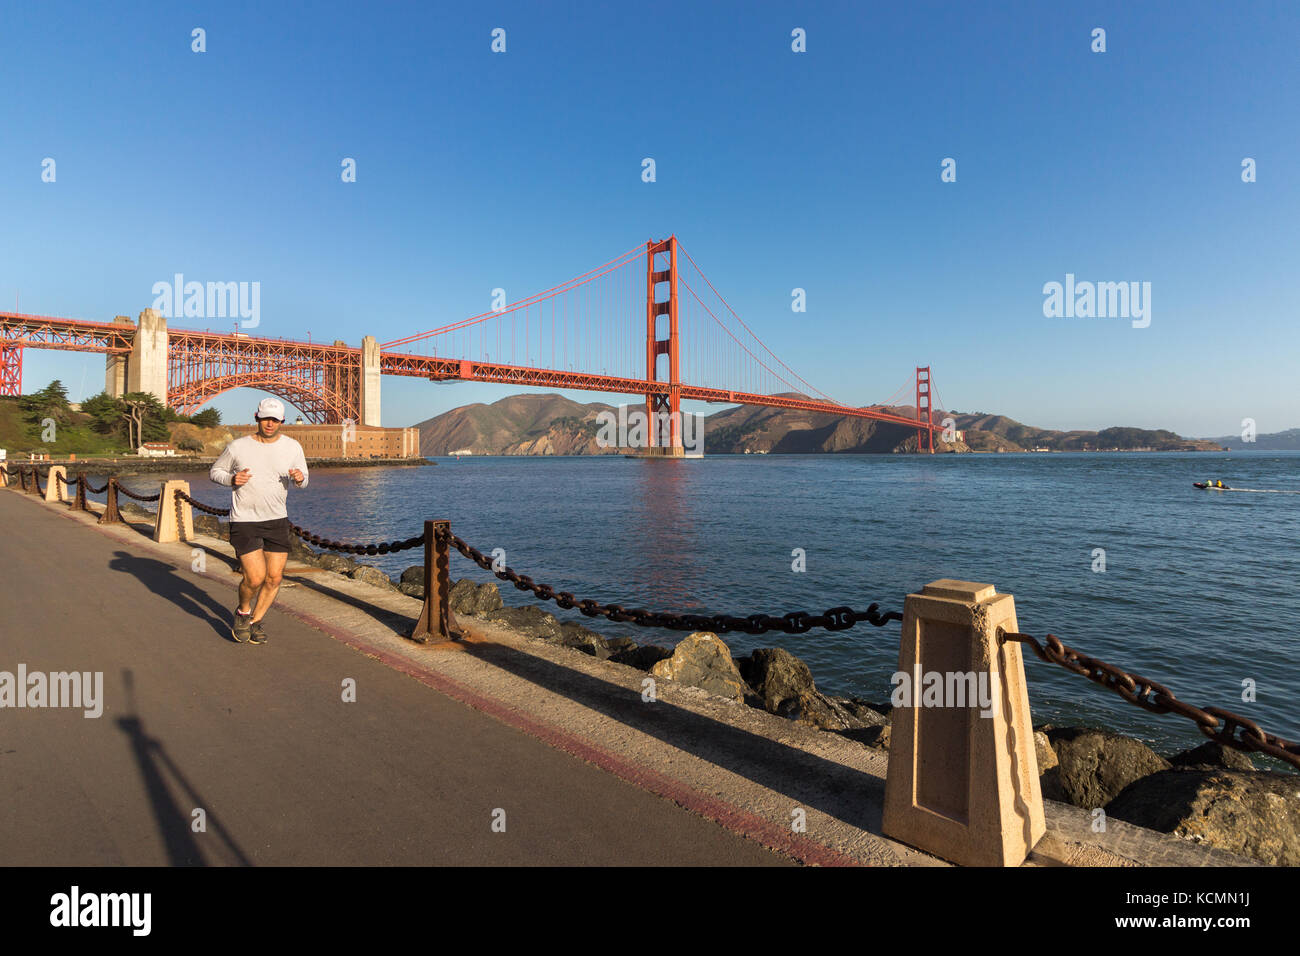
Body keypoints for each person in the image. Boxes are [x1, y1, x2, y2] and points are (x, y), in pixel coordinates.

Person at [209, 398, 309, 644]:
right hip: (245, 520)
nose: (270, 423)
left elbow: (305, 479)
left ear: (282, 421)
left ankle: (255, 621)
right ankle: (243, 611)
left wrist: (299, 477)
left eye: (275, 420)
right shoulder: (237, 446)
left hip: (277, 519)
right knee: (254, 578)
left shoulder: (293, 447)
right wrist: (232, 479)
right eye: (265, 418)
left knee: (274, 578)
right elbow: (215, 472)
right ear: (257, 417)